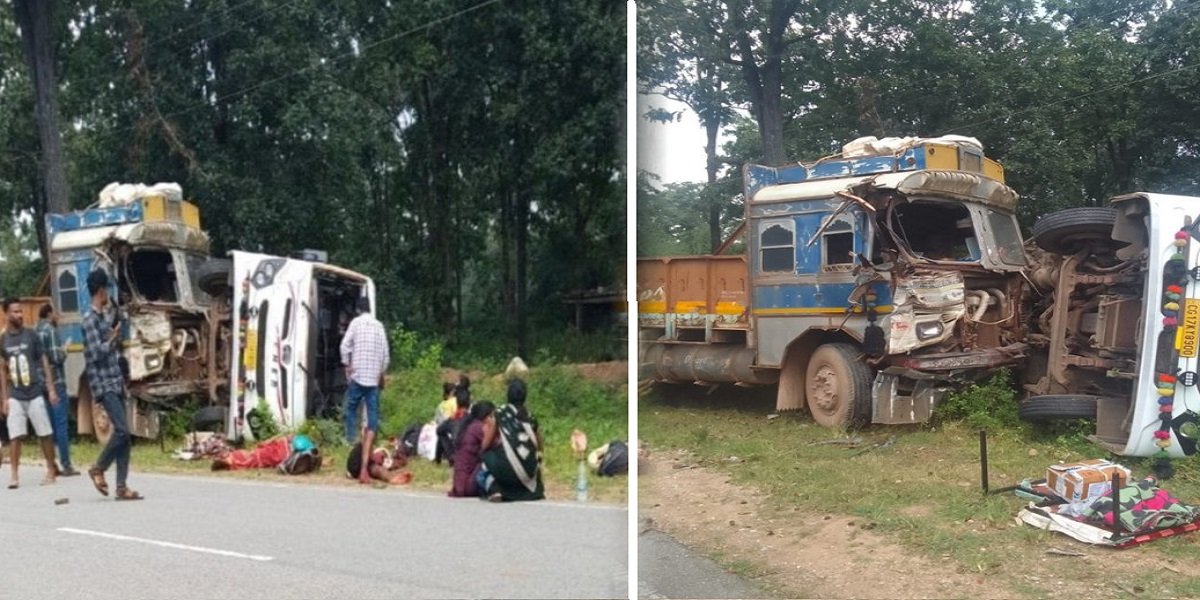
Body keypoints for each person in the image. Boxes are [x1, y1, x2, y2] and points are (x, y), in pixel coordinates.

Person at [81, 269, 142, 500]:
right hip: (103, 383)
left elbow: (111, 340)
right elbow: (96, 353)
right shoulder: (89, 320)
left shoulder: (102, 318)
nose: (108, 293)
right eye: (106, 289)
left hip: (115, 380)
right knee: (122, 430)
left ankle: (121, 487)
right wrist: (112, 339)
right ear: (100, 290)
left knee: (124, 435)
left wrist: (117, 328)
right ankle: (98, 467)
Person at [0, 298, 60, 489]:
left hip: (34, 392)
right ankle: (14, 474)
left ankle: (50, 468)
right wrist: (4, 398)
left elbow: (44, 361)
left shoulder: (31, 335)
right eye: (15, 312)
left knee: (45, 433)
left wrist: (51, 388)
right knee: (15, 435)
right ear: (6, 314)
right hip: (15, 395)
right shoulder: (3, 339)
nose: (20, 315)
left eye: (20, 311)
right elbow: (2, 369)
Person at [340, 296, 389, 484]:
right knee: (372, 421)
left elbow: (344, 346)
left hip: (358, 377)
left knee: (351, 409)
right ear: (370, 309)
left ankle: (352, 440)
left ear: (359, 310)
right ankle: (365, 459)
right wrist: (380, 372)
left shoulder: (356, 323)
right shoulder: (379, 326)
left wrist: (347, 365)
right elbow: (385, 356)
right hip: (373, 382)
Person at [480, 378, 545, 502]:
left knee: (486, 456)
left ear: (508, 394)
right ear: (525, 396)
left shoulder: (499, 413)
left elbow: (485, 444)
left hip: (507, 471)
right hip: (528, 472)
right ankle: (531, 490)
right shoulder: (531, 417)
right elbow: (540, 445)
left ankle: (494, 489)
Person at [37, 304, 78, 476]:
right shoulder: (50, 331)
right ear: (49, 314)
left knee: (49, 426)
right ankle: (66, 464)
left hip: (41, 384)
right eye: (55, 312)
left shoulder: (36, 331)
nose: (58, 315)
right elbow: (56, 357)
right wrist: (65, 349)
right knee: (61, 424)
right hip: (56, 382)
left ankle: (51, 464)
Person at [448, 400, 495, 498]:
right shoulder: (479, 428)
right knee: (492, 457)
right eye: (492, 416)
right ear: (486, 416)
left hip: (459, 485)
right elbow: (495, 443)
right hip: (468, 485)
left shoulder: (469, 426)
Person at [346, 435, 411, 485]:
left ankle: (392, 478)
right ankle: (392, 478)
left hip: (358, 464)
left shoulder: (375, 463)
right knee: (377, 468)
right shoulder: (375, 461)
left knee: (377, 467)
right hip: (360, 462)